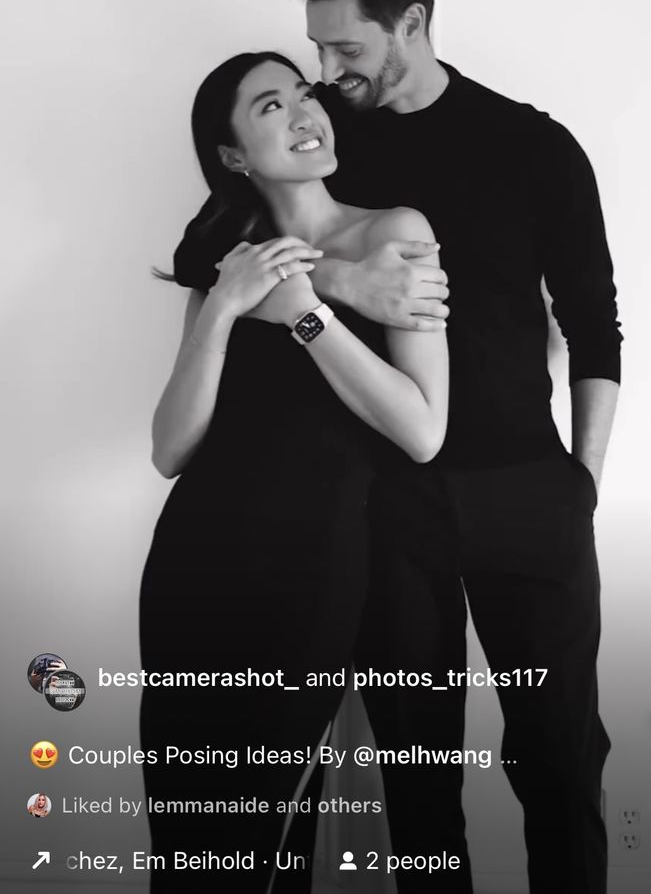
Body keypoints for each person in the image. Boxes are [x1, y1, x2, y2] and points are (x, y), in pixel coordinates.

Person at [285, 0, 622, 894]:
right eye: (316, 48)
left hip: (529, 491)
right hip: (391, 502)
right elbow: (263, 256)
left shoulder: (534, 143)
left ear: (413, 21)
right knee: (418, 780)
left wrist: (582, 485)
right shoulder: (328, 146)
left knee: (559, 764)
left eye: (346, 46)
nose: (327, 71)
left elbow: (594, 326)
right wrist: (344, 288)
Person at [139, 51, 448, 891]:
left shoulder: (393, 233)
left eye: (305, 93)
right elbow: (172, 448)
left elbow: (421, 429)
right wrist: (228, 303)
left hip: (313, 562)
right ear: (234, 154)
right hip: (196, 560)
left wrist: (307, 311)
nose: (307, 110)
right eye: (273, 105)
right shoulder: (218, 253)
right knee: (188, 841)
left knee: (262, 830)